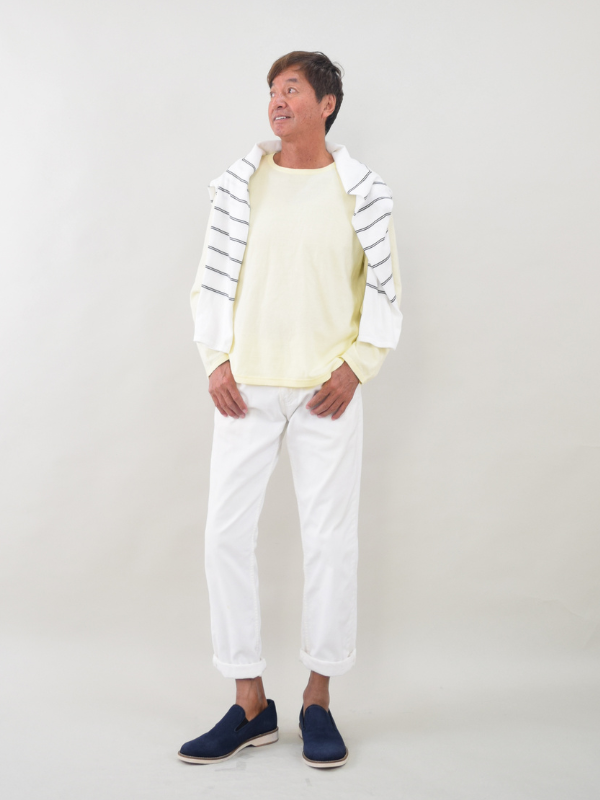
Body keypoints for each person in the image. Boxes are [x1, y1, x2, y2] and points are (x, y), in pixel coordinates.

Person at [178, 50, 402, 769]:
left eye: (292, 88)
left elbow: (385, 291)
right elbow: (208, 280)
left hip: (324, 395)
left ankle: (317, 700)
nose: (277, 100)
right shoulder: (240, 185)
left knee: (330, 544)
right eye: (273, 90)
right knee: (223, 536)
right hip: (244, 389)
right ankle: (250, 704)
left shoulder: (362, 193)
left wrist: (356, 367)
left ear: (326, 104)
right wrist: (214, 361)